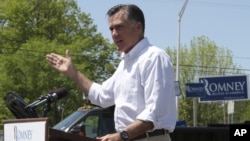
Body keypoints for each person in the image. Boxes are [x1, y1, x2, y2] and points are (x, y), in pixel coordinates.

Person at [46, 4, 176, 141]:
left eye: (119, 27)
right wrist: (73, 73)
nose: (114, 34)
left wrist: (122, 135)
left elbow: (155, 113)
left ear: (138, 27)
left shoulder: (154, 57)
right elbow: (102, 96)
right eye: (111, 29)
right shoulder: (125, 64)